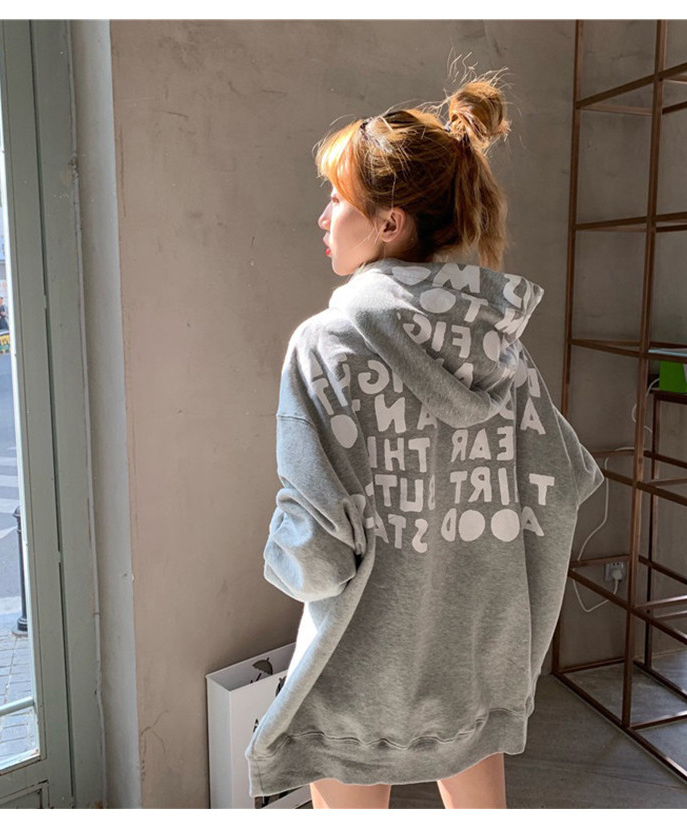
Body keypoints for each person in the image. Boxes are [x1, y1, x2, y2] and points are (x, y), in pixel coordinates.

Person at [245, 75, 604, 809]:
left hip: (356, 668)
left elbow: (317, 551)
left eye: (338, 198)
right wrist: (507, 613)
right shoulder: (502, 352)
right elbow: (562, 485)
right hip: (472, 662)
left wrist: (277, 556)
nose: (323, 215)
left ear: (389, 222)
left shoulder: (325, 347)